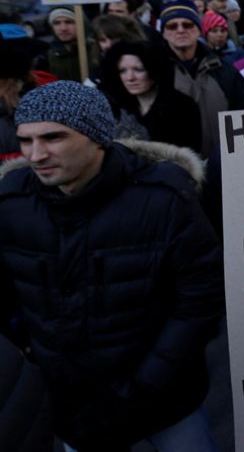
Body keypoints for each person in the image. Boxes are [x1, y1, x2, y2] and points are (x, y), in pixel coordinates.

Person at [0, 81, 223, 451]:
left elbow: (200, 295)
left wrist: (147, 383)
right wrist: (32, 350)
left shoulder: (164, 196)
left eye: (53, 138)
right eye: (26, 140)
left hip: (163, 397)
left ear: (96, 136)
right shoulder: (12, 201)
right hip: (68, 402)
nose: (35, 154)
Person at [159, 0, 244, 156]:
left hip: (224, 164)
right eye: (172, 26)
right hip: (175, 170)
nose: (180, 30)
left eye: (187, 25)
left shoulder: (224, 70)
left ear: (198, 29)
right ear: (164, 33)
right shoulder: (154, 74)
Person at [99, 40, 202, 153]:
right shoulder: (116, 108)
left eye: (139, 69)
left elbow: (189, 156)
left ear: (154, 69)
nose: (130, 78)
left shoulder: (183, 107)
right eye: (122, 71)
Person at [39, 7, 100, 83]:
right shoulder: (45, 57)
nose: (63, 28)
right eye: (57, 23)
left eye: (69, 22)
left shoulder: (97, 50)